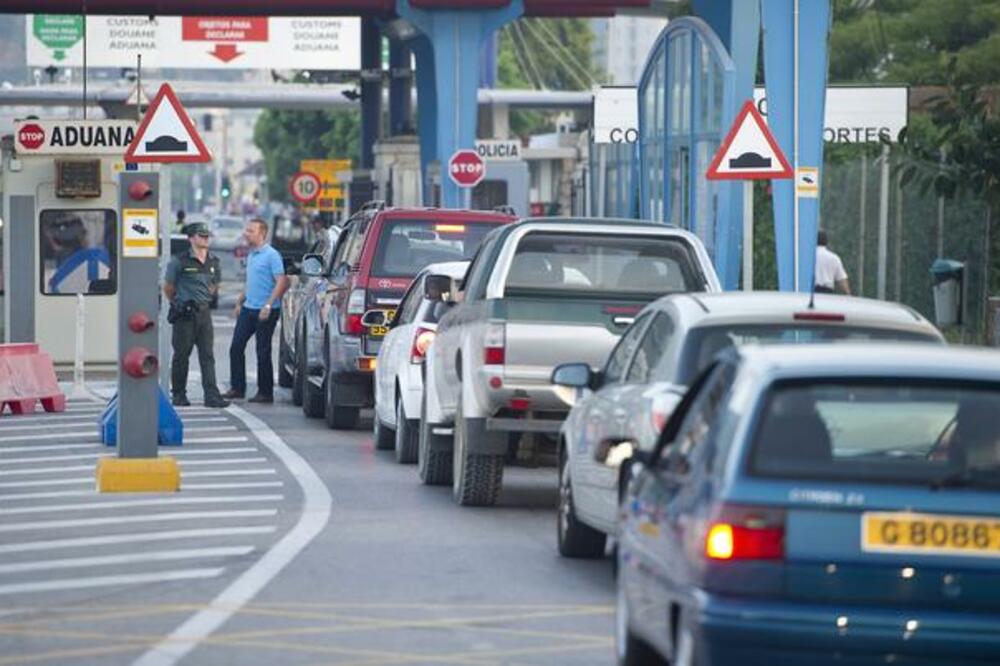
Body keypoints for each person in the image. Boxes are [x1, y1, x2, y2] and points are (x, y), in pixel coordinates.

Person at [224, 218, 290, 403]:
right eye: (247, 230)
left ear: (262, 233)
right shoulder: (252, 255)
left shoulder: (272, 255)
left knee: (262, 351)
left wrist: (268, 305)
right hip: (249, 308)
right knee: (236, 347)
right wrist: (239, 302)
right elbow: (252, 282)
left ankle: (265, 392)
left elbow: (282, 282)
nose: (246, 234)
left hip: (266, 310)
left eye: (250, 231)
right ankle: (237, 388)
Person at [164, 222, 229, 408]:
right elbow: (168, 287)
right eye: (201, 236)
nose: (205, 239)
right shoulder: (179, 261)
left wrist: (205, 297)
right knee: (181, 355)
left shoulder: (213, 261)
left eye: (207, 236)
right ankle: (179, 394)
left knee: (207, 355)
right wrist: (178, 302)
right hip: (185, 313)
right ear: (191, 238)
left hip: (204, 312)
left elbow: (215, 284)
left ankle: (211, 396)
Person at [815, 230, 851, 294]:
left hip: (811, 292)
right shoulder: (834, 258)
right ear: (826, 242)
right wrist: (848, 295)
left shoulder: (809, 257)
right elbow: (842, 279)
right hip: (828, 292)